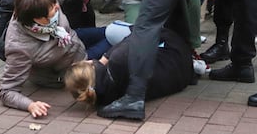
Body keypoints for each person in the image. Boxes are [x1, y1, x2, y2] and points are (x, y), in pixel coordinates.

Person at [0, 0, 126, 118]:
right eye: (53, 9)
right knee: (120, 40)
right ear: (38, 19)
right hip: (72, 65)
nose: (57, 7)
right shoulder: (19, 47)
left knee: (114, 31)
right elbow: (7, 91)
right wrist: (30, 105)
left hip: (72, 39)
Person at [65, 27, 205, 111]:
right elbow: (141, 33)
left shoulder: (104, 99)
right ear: (90, 66)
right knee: (137, 30)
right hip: (179, 58)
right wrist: (105, 58)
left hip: (181, 79)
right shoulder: (118, 60)